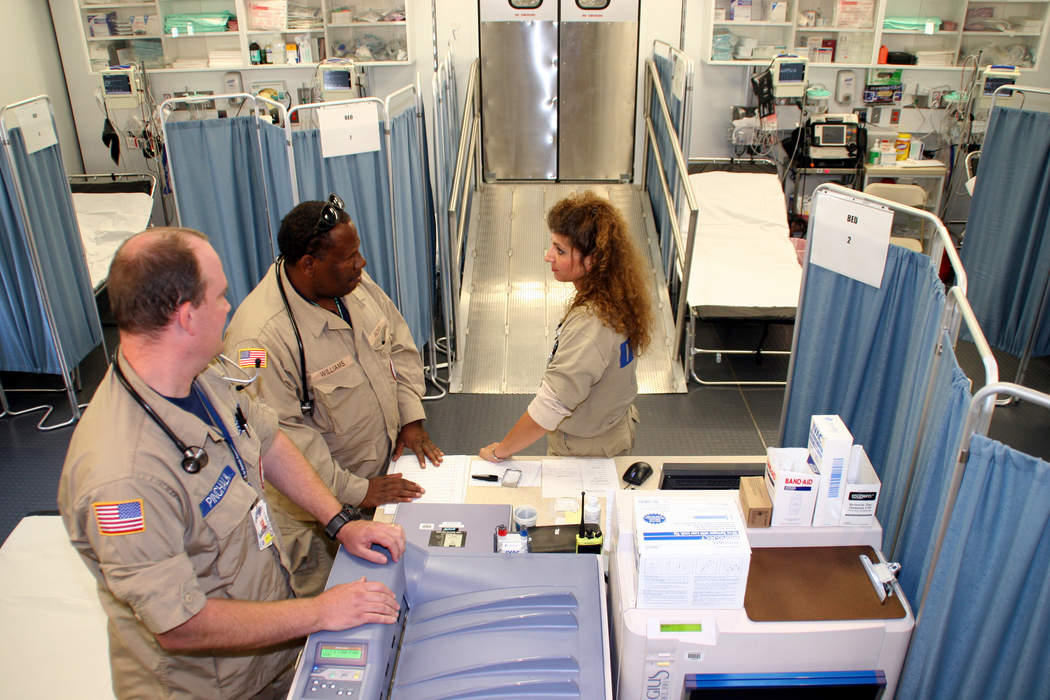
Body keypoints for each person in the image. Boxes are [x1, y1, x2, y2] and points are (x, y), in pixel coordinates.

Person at [58, 228, 406, 699]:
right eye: (220, 296)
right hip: (208, 684)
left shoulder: (204, 376)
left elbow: (267, 438)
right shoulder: (123, 476)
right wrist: (321, 611)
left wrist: (340, 521)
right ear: (186, 315)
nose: (230, 307)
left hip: (270, 641)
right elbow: (180, 624)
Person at [223, 195, 442, 596]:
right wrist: (360, 492)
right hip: (317, 516)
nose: (362, 264)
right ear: (309, 264)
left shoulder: (350, 281)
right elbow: (282, 440)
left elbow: (398, 343)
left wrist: (410, 418)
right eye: (350, 257)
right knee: (330, 619)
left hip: (382, 477)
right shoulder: (259, 341)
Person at [480, 192, 651, 462]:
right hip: (613, 428)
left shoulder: (592, 324)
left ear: (591, 260)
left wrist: (501, 451)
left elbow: (551, 405)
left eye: (560, 250)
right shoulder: (618, 294)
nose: (548, 256)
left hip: (588, 449)